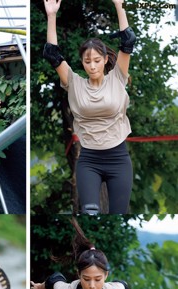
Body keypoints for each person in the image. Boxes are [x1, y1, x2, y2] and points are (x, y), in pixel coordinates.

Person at [43, 0, 136, 214]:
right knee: (89, 213)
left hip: (119, 159)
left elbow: (128, 40)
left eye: (96, 60)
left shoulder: (118, 77)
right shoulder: (74, 83)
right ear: (82, 63)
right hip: (89, 161)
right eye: (87, 61)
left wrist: (119, 4)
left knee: (118, 215)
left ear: (104, 60)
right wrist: (51, 16)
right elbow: (52, 53)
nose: (92, 65)